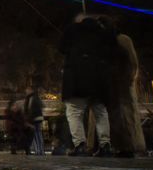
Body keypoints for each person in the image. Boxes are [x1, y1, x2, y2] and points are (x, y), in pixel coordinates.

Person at [60, 13, 115, 157]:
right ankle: (105, 144)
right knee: (100, 112)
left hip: (77, 78)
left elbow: (62, 48)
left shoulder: (72, 30)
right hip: (99, 79)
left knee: (74, 112)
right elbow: (111, 52)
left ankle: (80, 145)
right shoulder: (103, 32)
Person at [100, 17, 146, 157]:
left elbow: (132, 63)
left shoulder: (122, 40)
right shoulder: (104, 43)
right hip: (112, 85)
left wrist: (130, 79)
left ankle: (129, 146)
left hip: (122, 85)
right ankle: (120, 146)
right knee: (115, 117)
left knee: (124, 116)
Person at [24, 78, 46, 156]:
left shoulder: (31, 98)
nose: (26, 91)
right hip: (39, 117)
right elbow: (43, 105)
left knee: (35, 135)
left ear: (30, 90)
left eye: (27, 90)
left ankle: (38, 151)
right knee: (39, 134)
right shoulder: (36, 97)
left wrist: (29, 121)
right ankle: (41, 150)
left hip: (34, 119)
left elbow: (31, 109)